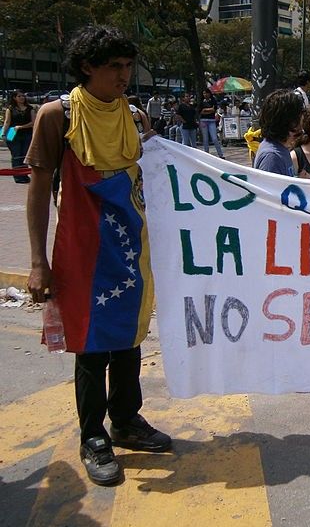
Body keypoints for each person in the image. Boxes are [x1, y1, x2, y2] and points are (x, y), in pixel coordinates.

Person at [25, 25, 171, 487]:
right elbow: (38, 189)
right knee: (91, 346)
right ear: (87, 67)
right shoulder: (57, 115)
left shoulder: (134, 116)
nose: (124, 76)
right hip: (82, 253)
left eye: (128, 67)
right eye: (114, 67)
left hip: (131, 248)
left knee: (129, 340)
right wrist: (37, 261)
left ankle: (126, 420)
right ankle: (93, 437)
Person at [253, 88, 305, 176]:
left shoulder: (280, 149)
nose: (303, 118)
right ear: (290, 120)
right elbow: (270, 189)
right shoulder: (272, 157)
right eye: (300, 114)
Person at [3, 89, 36, 183]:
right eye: (19, 96)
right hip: (14, 135)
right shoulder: (10, 109)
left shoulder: (30, 108)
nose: (22, 98)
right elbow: (7, 122)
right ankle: (18, 177)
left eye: (23, 96)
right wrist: (3, 134)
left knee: (25, 156)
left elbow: (33, 122)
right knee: (16, 155)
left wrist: (21, 127)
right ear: (14, 98)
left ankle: (24, 174)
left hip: (27, 134)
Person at [197, 88, 224, 158]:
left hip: (211, 121)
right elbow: (201, 111)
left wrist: (205, 110)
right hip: (203, 121)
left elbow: (214, 110)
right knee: (205, 139)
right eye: (204, 93)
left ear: (209, 93)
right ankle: (207, 155)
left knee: (214, 138)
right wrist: (209, 110)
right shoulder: (201, 102)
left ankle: (220, 154)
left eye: (206, 93)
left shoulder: (213, 100)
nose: (205, 95)